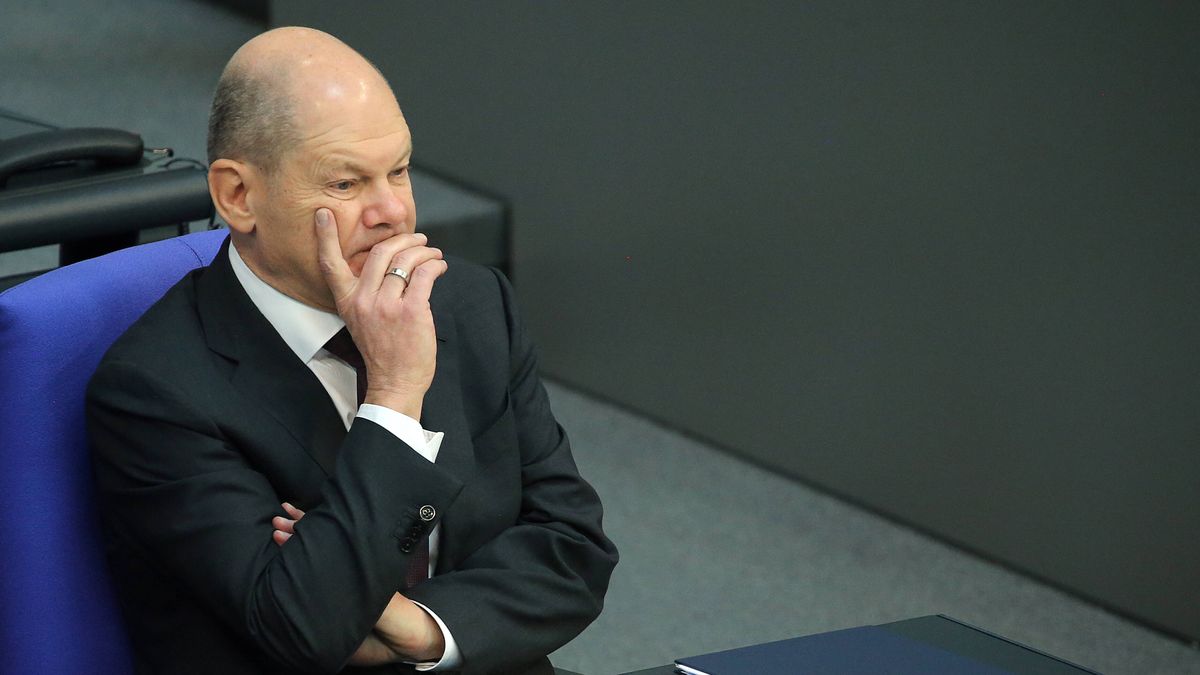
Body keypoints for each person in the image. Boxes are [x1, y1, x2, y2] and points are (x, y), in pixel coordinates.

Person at [86, 27, 617, 675]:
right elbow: (303, 627)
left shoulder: (471, 304)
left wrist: (417, 626)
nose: (392, 211)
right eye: (346, 184)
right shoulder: (157, 389)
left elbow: (574, 550)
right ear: (238, 196)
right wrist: (395, 395)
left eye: (399, 170)